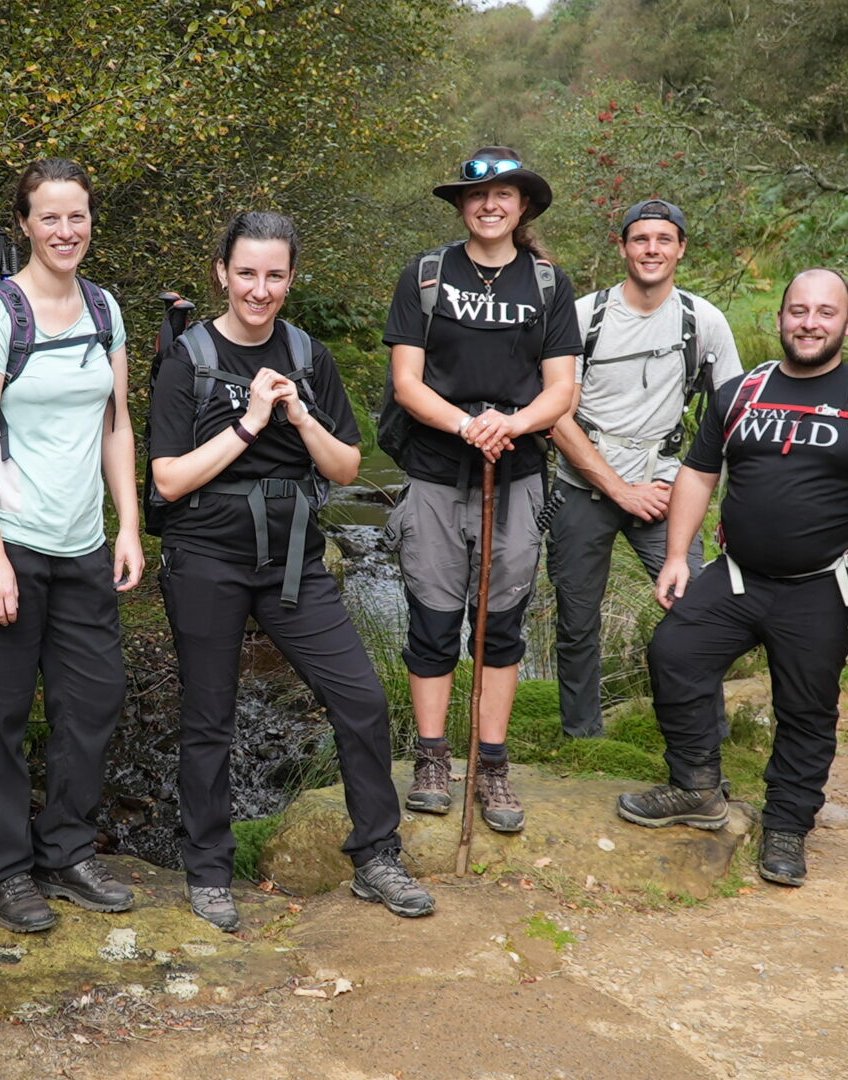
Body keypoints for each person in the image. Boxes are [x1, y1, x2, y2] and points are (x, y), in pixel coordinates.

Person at [150, 212, 435, 930]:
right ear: (221, 272)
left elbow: (344, 467)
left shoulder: (310, 356)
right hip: (206, 560)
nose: (260, 289)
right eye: (246, 273)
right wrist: (248, 421)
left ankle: (376, 856)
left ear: (291, 278)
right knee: (210, 719)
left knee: (363, 700)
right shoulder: (186, 358)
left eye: (274, 275)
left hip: (294, 564)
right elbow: (171, 480)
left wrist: (301, 417)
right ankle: (210, 872)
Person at [617, 268, 848, 887]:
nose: (810, 323)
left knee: (806, 709)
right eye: (799, 311)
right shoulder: (740, 392)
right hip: (735, 577)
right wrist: (678, 555)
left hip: (823, 585)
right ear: (780, 318)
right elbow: (699, 476)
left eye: (825, 312)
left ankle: (786, 826)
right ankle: (698, 788)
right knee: (674, 652)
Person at [0, 158, 144, 933]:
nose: (66, 231)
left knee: (92, 699)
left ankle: (65, 850)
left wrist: (128, 524)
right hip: (9, 541)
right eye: (50, 218)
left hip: (82, 542)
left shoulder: (105, 308)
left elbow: (117, 422)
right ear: (25, 225)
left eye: (79, 217)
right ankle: (1, 867)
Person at [384, 146, 580, 831]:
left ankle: (491, 765)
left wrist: (512, 425)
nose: (490, 205)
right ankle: (433, 756)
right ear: (462, 206)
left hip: (518, 475)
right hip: (436, 474)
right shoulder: (428, 275)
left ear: (523, 206)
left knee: (500, 628)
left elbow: (563, 389)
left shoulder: (550, 285)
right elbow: (407, 382)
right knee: (433, 621)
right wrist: (470, 427)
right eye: (477, 196)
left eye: (504, 195)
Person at [549, 199, 741, 739]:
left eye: (663, 239)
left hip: (665, 487)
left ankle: (703, 737)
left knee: (697, 612)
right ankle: (581, 737)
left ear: (681, 248)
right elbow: (556, 416)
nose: (651, 249)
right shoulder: (585, 317)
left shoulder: (704, 322)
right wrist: (620, 490)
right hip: (581, 485)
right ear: (623, 247)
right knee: (577, 621)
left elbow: (730, 411)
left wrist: (688, 480)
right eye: (640, 239)